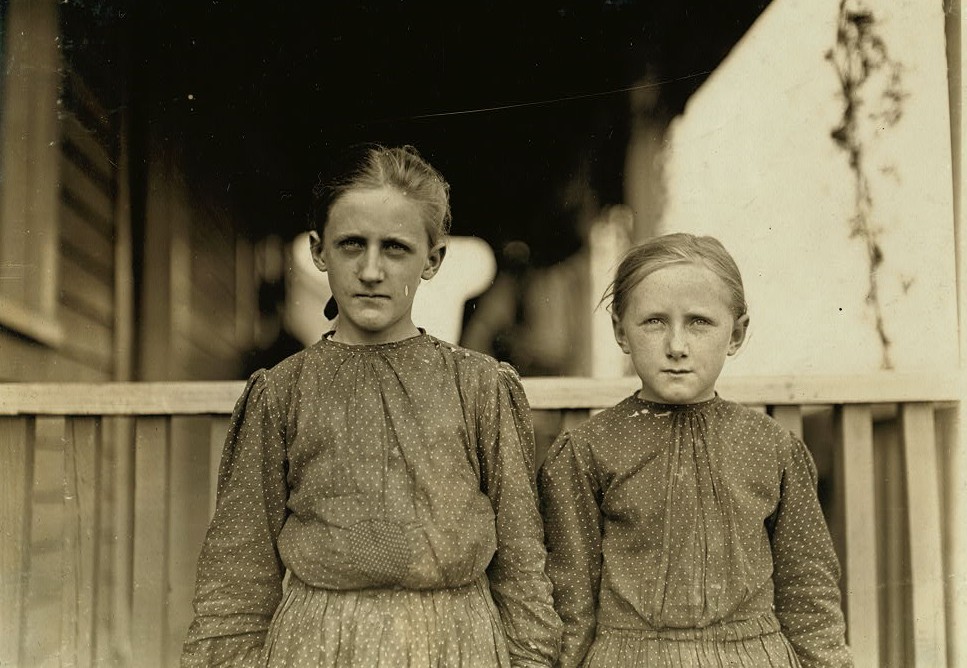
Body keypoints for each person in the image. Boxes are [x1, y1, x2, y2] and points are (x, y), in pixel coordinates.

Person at [182, 144, 562, 667]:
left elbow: (521, 561)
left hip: (456, 645)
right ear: (319, 251)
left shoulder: (479, 388)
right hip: (320, 645)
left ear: (433, 258)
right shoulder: (283, 392)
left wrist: (533, 659)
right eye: (352, 244)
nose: (371, 269)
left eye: (396, 248)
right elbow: (238, 573)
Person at [539, 233, 852, 667]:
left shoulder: (772, 448)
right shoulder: (587, 450)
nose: (677, 346)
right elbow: (570, 597)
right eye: (654, 321)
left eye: (699, 322)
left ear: (736, 334)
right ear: (620, 331)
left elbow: (808, 590)